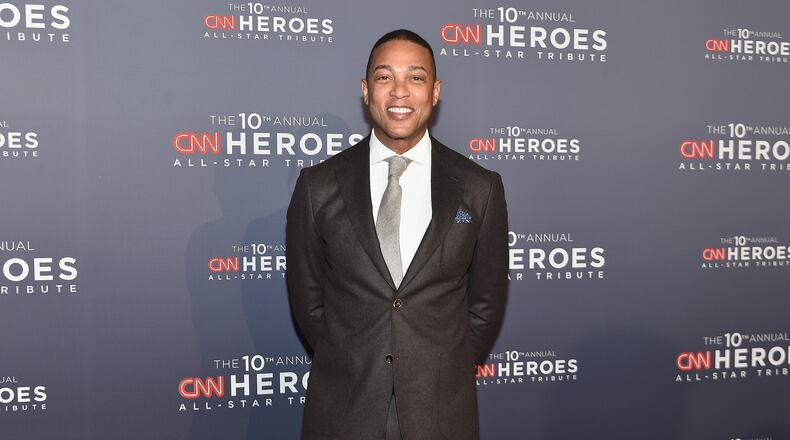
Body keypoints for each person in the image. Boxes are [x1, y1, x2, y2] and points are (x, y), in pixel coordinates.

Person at [286, 29, 508, 440]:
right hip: (345, 410)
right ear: (366, 90)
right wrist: (353, 354)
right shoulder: (318, 186)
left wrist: (436, 364)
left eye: (416, 78)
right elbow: (309, 304)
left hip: (441, 411)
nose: (400, 92)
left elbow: (485, 305)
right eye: (385, 77)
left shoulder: (480, 188)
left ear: (435, 92)